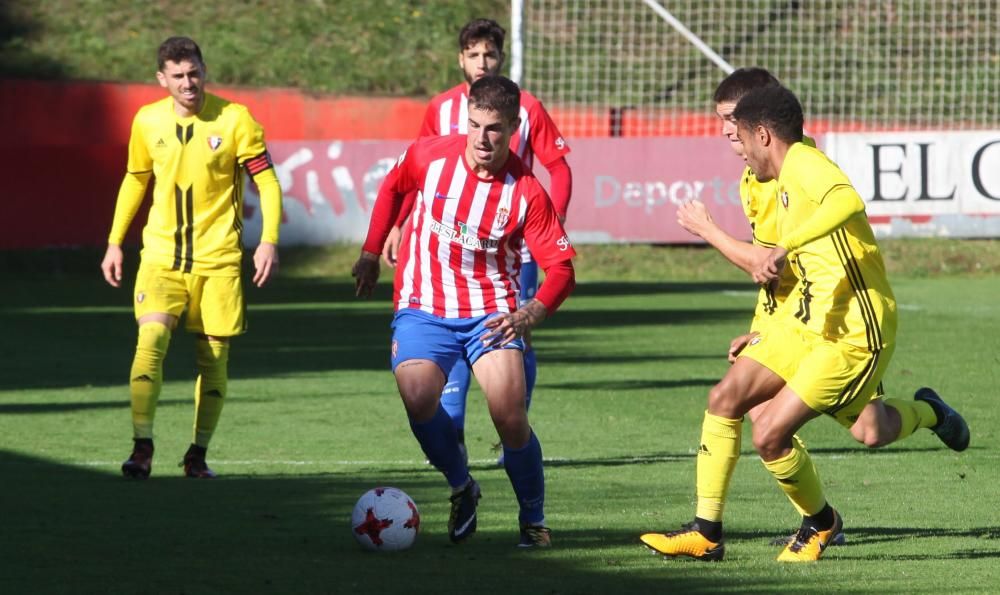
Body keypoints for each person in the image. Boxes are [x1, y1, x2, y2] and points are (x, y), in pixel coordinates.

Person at [641, 84, 969, 562]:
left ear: (762, 133)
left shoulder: (805, 164)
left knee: (830, 431)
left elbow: (848, 203)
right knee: (726, 399)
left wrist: (783, 242)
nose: (730, 137)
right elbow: (774, 271)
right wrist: (763, 325)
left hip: (853, 329)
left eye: (737, 128)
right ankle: (706, 532)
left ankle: (828, 517)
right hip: (803, 321)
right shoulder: (759, 180)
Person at [353, 75, 576, 547]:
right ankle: (462, 485)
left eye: (494, 128)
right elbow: (393, 188)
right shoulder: (429, 156)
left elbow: (561, 269)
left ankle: (533, 520)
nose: (481, 138)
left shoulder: (527, 192)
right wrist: (372, 253)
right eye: (474, 125)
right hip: (423, 304)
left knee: (510, 417)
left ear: (515, 127)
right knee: (417, 397)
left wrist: (531, 312)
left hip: (490, 312)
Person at [381, 19, 572, 463]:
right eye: (474, 55)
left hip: (513, 246)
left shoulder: (529, 108)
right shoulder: (440, 109)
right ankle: (456, 437)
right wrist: (399, 223)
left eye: (490, 55)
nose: (482, 63)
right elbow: (420, 173)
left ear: (501, 59)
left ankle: (513, 429)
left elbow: (559, 168)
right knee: (448, 334)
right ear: (460, 60)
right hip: (452, 249)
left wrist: (552, 224)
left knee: (510, 334)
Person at [101, 36, 282, 480]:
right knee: (150, 344)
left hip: (218, 260)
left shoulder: (236, 120)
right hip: (161, 256)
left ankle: (197, 454)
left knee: (213, 360)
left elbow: (269, 184)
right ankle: (141, 447)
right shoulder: (147, 122)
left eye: (194, 72)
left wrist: (269, 240)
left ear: (204, 70)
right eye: (178, 75)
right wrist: (114, 241)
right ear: (162, 79)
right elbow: (134, 180)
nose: (188, 82)